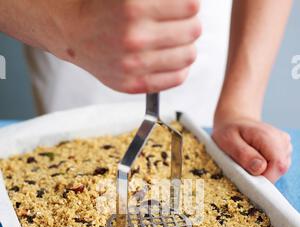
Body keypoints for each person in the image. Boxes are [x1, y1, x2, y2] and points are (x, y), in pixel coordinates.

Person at [0, 0, 293, 183]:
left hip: (207, 36)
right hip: (68, 52)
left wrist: (239, 107)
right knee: (69, 164)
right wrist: (68, 27)